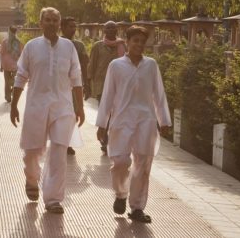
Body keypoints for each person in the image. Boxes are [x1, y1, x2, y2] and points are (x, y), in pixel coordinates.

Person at [10, 7, 84, 214]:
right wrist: (14, 104)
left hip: (62, 107)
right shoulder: (32, 47)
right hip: (36, 105)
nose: (52, 23)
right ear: (41, 23)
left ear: (59, 24)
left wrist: (80, 107)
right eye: (48, 20)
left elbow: (76, 77)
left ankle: (53, 199)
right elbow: (21, 76)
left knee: (59, 151)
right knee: (31, 152)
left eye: (55, 20)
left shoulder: (69, 47)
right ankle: (32, 179)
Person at [95, 26, 171, 224]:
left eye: (141, 41)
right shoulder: (116, 65)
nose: (138, 44)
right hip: (121, 120)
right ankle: (121, 194)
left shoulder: (151, 65)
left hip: (145, 121)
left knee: (143, 164)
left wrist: (164, 120)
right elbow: (108, 95)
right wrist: (102, 123)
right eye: (135, 40)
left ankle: (137, 207)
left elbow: (159, 94)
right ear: (127, 42)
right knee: (119, 161)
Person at [88, 21, 126, 153]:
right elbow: (91, 65)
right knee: (105, 112)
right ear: (104, 30)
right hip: (101, 84)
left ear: (117, 30)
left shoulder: (122, 46)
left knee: (116, 113)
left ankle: (112, 139)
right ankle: (105, 140)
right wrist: (88, 84)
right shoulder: (98, 46)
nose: (110, 30)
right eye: (108, 28)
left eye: (113, 28)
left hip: (119, 85)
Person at [60, 16, 89, 156]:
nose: (73, 29)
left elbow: (84, 65)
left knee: (74, 115)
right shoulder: (56, 44)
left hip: (75, 85)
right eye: (70, 26)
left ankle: (68, 142)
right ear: (63, 28)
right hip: (61, 86)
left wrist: (86, 84)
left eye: (74, 26)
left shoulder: (79, 46)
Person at [0, 25, 22, 103]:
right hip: (15, 64)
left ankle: (7, 96)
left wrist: (1, 65)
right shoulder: (18, 42)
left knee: (7, 82)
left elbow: (1, 54)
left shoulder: (5, 41)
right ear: (15, 32)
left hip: (5, 64)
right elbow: (21, 54)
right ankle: (12, 91)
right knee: (15, 80)